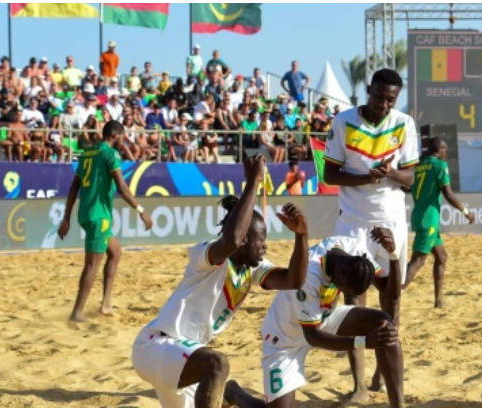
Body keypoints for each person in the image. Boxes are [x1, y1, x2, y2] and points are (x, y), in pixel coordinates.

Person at [131, 154, 310, 408]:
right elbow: (231, 241)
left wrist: (302, 236)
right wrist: (253, 182)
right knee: (218, 363)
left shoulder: (252, 268)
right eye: (261, 240)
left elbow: (295, 280)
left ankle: (232, 394)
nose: (266, 245)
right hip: (158, 346)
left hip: (188, 360)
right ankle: (230, 392)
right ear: (245, 239)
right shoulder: (205, 256)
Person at [224, 228, 405, 408]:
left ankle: (399, 406)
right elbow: (313, 336)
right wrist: (364, 341)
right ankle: (234, 392)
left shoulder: (354, 250)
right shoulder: (308, 275)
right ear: (340, 272)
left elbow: (392, 293)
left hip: (323, 318)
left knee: (383, 325)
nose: (340, 291)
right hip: (286, 339)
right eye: (342, 288)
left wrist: (393, 254)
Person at [322, 68, 419, 402]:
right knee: (353, 299)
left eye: (391, 99)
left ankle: (384, 368)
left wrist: (390, 172)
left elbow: (411, 179)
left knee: (391, 299)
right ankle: (359, 385)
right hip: (352, 222)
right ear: (368, 91)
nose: (384, 104)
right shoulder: (344, 120)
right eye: (379, 97)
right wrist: (367, 178)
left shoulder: (404, 123)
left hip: (392, 220)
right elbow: (330, 173)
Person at [58, 120, 153, 323]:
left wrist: (66, 218)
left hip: (86, 213)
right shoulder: (110, 154)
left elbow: (74, 187)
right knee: (92, 265)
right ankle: (76, 313)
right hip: (98, 216)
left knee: (115, 253)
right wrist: (141, 210)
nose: (123, 141)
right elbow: (122, 187)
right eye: (123, 137)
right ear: (115, 135)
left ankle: (105, 304)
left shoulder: (87, 153)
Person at [403, 137, 475, 308]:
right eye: (445, 150)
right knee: (418, 261)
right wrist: (465, 212)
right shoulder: (440, 165)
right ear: (440, 150)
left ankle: (438, 301)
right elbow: (448, 193)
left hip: (419, 215)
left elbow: (406, 187)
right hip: (429, 219)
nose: (446, 154)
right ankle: (394, 291)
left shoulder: (418, 166)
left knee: (441, 256)